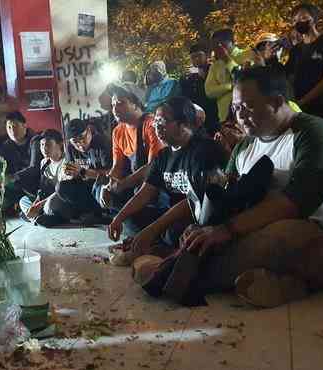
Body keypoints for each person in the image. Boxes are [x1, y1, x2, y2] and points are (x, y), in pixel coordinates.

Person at [177, 66, 323, 308]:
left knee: (282, 235)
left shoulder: (315, 134)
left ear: (277, 101)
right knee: (206, 235)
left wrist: (226, 230)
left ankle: (180, 274)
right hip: (267, 229)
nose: (239, 116)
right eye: (235, 108)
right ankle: (287, 285)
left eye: (246, 106)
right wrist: (202, 228)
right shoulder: (244, 147)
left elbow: (292, 205)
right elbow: (227, 198)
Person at [108, 96, 228, 265]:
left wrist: (153, 229)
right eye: (155, 122)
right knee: (131, 219)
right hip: (171, 215)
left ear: (184, 123)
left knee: (173, 231)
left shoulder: (204, 151)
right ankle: (158, 246)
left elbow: (196, 202)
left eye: (162, 121)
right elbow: (146, 192)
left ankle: (161, 250)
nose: (157, 127)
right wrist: (119, 218)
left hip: (199, 217)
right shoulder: (163, 156)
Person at [96, 83, 166, 234]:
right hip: (134, 186)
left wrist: (122, 185)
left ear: (135, 103)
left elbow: (152, 168)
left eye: (120, 103)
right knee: (99, 189)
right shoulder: (118, 131)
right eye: (113, 104)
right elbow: (117, 167)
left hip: (155, 188)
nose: (114, 109)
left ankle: (140, 227)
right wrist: (109, 186)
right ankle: (133, 222)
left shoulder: (151, 125)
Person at [285, 4, 323, 136]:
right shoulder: (296, 51)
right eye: (294, 20)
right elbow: (289, 77)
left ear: (314, 19)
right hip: (301, 111)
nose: (298, 22)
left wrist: (302, 101)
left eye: (303, 17)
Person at [55, 118, 112, 223]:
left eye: (82, 137)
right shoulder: (70, 148)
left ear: (89, 131)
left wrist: (83, 172)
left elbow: (110, 173)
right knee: (61, 187)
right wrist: (68, 173)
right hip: (85, 185)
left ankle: (105, 214)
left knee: (102, 185)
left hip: (102, 185)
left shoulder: (102, 142)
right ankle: (91, 213)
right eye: (75, 141)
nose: (80, 143)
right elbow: (71, 171)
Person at [18, 129, 69, 227]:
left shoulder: (65, 162)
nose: (44, 148)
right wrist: (35, 204)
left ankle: (36, 217)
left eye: (48, 145)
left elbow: (62, 191)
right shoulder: (44, 162)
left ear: (60, 144)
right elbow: (42, 189)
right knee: (23, 200)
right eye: (41, 145)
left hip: (60, 198)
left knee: (49, 205)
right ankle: (38, 218)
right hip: (47, 197)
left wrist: (39, 205)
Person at [205, 28, 255, 124]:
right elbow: (209, 91)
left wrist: (227, 59)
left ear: (232, 42)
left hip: (248, 115)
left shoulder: (248, 55)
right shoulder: (215, 66)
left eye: (220, 44)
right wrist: (231, 86)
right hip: (225, 118)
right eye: (214, 46)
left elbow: (245, 80)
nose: (217, 48)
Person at [181, 43, 219, 135]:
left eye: (199, 55)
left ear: (206, 55)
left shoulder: (216, 71)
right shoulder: (191, 79)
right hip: (200, 120)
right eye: (193, 57)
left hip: (217, 115)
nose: (196, 59)